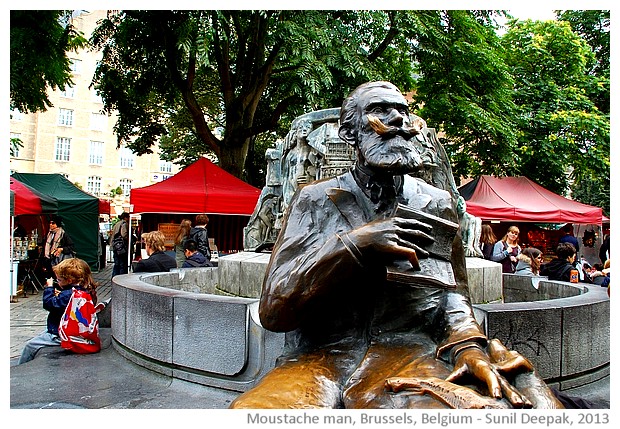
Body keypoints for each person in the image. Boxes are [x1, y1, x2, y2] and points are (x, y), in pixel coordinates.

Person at [231, 81, 561, 409]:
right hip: (317, 358)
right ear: (350, 133)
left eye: (403, 111)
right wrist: (356, 245)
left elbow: (454, 296)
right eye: (380, 111)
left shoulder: (434, 202)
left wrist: (467, 347)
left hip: (405, 356)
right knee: (253, 415)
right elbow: (274, 310)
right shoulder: (313, 200)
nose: (399, 121)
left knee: (455, 412)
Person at [18, 258, 98, 364]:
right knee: (41, 335)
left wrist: (49, 288)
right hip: (77, 332)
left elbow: (49, 304)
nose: (58, 282)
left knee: (30, 345)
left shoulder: (68, 294)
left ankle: (21, 369)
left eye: (59, 280)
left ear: (69, 280)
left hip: (59, 334)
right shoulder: (85, 291)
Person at [111, 212, 129, 277]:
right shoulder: (124, 224)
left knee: (116, 264)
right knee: (122, 265)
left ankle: (114, 278)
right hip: (122, 248)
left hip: (116, 246)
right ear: (125, 217)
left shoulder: (117, 224)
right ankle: (121, 279)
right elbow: (124, 235)